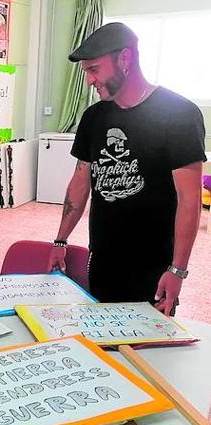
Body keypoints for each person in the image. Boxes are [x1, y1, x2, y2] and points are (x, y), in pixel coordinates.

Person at [47, 23, 206, 316]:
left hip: (154, 264)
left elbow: (190, 200)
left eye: (94, 69)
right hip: (104, 257)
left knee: (151, 351)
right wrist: (61, 239)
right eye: (86, 72)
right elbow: (80, 182)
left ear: (125, 60)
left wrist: (178, 270)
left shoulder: (179, 114)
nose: (89, 80)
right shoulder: (94, 117)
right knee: (103, 343)